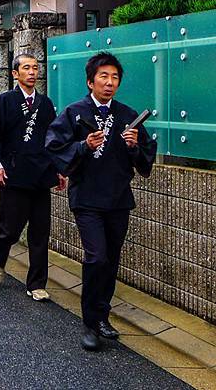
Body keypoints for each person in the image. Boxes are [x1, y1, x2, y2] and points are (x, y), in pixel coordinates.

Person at [45, 52, 156, 351]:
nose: (109, 83)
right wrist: (83, 145)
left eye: (115, 77)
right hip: (87, 198)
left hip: (119, 199)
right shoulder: (74, 112)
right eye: (103, 77)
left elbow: (145, 159)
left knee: (111, 260)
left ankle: (102, 314)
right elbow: (54, 146)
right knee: (96, 257)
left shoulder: (127, 115)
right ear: (90, 80)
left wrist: (134, 147)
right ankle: (90, 323)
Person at [0, 53, 67, 301]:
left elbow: (53, 139)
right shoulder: (5, 101)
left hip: (40, 175)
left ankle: (36, 284)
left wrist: (58, 169)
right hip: (13, 175)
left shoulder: (46, 104)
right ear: (15, 74)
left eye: (35, 68)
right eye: (26, 68)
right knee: (10, 230)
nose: (32, 72)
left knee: (40, 231)